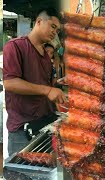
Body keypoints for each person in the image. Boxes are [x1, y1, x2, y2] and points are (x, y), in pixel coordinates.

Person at [3, 8, 67, 156]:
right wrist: (48, 91)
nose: (54, 32)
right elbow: (10, 83)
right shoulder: (15, 46)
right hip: (22, 131)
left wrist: (57, 94)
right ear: (39, 22)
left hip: (44, 125)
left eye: (57, 30)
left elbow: (46, 87)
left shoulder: (45, 56)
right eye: (52, 26)